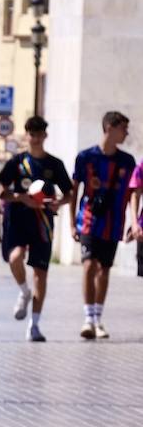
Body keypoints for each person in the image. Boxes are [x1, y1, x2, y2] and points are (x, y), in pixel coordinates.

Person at [0, 115, 73, 341]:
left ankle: (34, 325)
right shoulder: (17, 162)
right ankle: (24, 291)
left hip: (43, 223)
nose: (36, 139)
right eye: (32, 134)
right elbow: (2, 191)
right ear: (27, 135)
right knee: (15, 258)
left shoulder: (54, 164)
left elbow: (68, 193)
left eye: (40, 135)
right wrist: (21, 198)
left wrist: (59, 203)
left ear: (45, 136)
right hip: (19, 220)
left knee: (40, 273)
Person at [69, 110, 135, 339]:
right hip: (88, 221)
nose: (126, 133)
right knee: (89, 266)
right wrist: (71, 223)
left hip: (114, 222)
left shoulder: (127, 161)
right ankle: (88, 318)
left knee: (104, 269)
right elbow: (74, 190)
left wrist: (133, 222)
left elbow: (132, 194)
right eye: (123, 128)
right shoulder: (85, 157)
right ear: (109, 128)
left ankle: (98, 318)